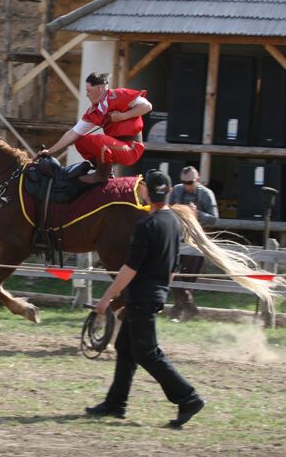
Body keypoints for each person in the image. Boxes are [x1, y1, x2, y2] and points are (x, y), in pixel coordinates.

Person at [86, 169, 205, 427]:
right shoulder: (174, 222)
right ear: (169, 192)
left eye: (142, 188)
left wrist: (106, 299)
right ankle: (116, 403)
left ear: (146, 193)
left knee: (147, 352)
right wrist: (160, 292)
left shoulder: (146, 225)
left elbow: (130, 269)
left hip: (140, 297)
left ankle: (188, 397)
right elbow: (173, 267)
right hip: (151, 295)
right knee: (125, 348)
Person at [37, 72, 152, 183]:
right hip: (115, 146)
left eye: (88, 91)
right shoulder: (94, 111)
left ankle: (102, 175)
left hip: (131, 148)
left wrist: (122, 116)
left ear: (100, 89)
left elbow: (147, 106)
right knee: (80, 141)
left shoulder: (120, 94)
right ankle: (104, 170)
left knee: (100, 140)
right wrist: (50, 151)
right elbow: (73, 133)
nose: (87, 95)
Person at [167, 166, 219, 321]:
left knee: (187, 277)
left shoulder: (207, 194)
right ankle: (188, 309)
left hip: (196, 241)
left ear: (198, 179)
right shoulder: (176, 191)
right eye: (183, 182)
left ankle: (179, 311)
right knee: (174, 273)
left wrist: (198, 214)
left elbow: (215, 219)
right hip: (178, 238)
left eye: (189, 182)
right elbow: (167, 208)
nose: (186, 185)